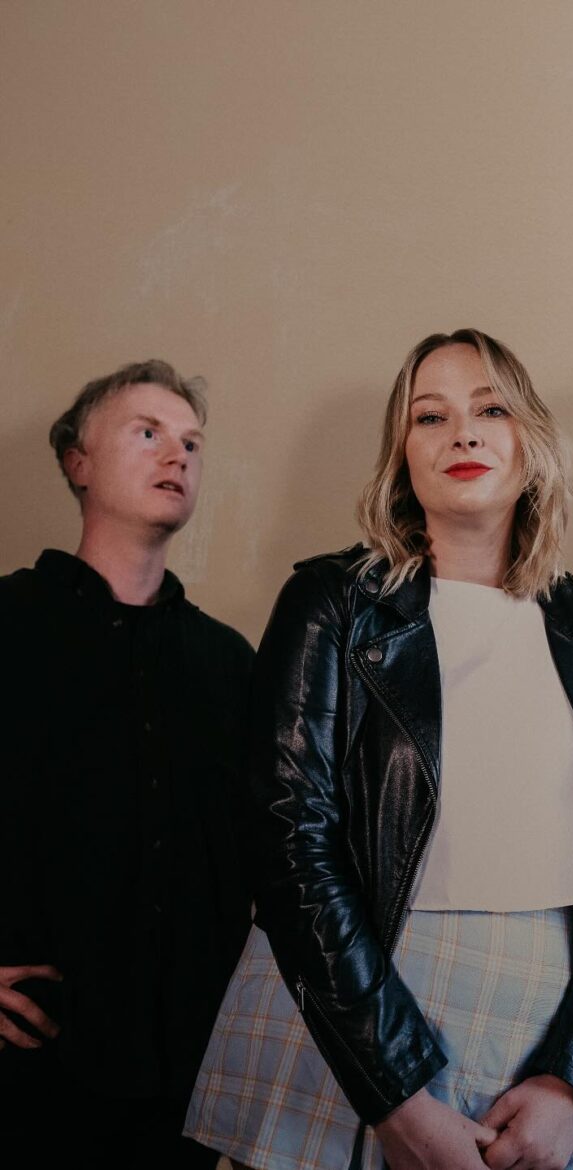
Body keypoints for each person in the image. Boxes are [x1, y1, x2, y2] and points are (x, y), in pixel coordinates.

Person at [184, 329, 573, 1170]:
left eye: (491, 410)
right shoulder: (333, 602)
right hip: (351, 1015)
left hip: (544, 1024)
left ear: (532, 444)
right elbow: (289, 842)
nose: (463, 433)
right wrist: (396, 1097)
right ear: (401, 458)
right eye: (430, 416)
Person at [0, 360, 254, 1169]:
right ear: (77, 461)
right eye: (148, 433)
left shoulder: (230, 664)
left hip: (184, 1096)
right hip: (21, 1080)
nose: (177, 455)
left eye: (192, 443)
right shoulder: (6, 624)